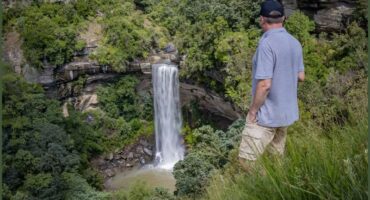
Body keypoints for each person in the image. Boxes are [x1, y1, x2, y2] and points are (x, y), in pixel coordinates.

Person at [238, 0, 305, 171]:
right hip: (285, 116)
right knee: (275, 162)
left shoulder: (266, 44)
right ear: (284, 18)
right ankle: (274, 190)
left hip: (265, 116)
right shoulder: (295, 43)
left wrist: (253, 111)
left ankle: (259, 190)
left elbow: (264, 85)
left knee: (246, 162)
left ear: (262, 19)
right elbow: (301, 76)